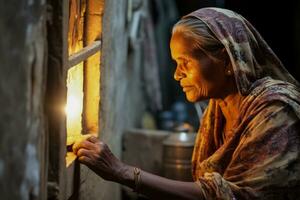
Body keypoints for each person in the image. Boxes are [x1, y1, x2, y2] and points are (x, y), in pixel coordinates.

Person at [72, 7, 300, 199]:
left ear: (226, 59)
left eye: (185, 63)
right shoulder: (219, 108)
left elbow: (233, 195)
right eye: (175, 63)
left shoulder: (276, 112)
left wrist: (123, 172)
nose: (177, 75)